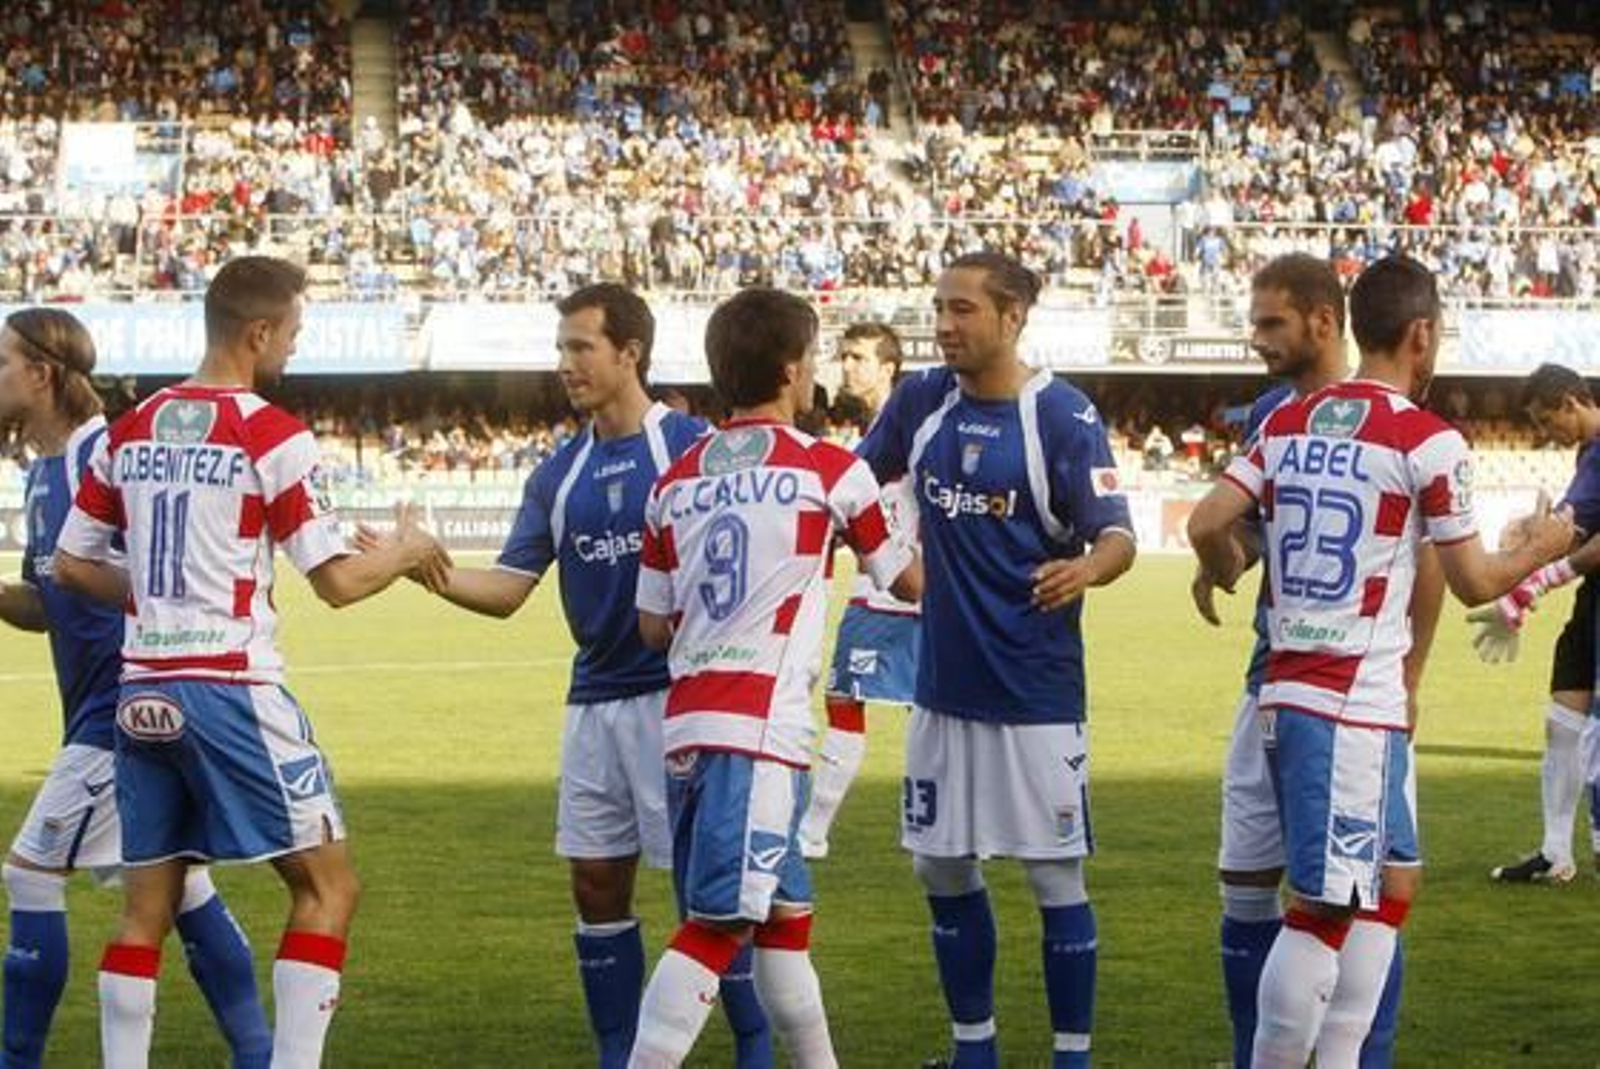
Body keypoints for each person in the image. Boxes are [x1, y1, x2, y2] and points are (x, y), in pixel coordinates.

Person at [53, 256, 450, 1069]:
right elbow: (337, 580)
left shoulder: (131, 428)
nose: (294, 352)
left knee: (144, 913)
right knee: (328, 886)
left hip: (142, 691)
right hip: (230, 688)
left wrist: (160, 601)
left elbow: (70, 563)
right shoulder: (272, 433)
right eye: (293, 335)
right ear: (259, 331)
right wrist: (409, 548)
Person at [1188, 255, 1573, 1067]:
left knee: (1394, 884)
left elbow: (1208, 519)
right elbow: (1471, 578)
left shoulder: (1291, 420)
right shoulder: (1428, 439)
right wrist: (1544, 547)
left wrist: (1216, 566)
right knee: (1324, 910)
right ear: (1423, 334)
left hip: (1303, 687)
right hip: (1349, 703)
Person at [409, 283, 771, 1067]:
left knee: (707, 897)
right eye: (561, 348)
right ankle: (618, 1053)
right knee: (597, 885)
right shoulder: (558, 474)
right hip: (594, 704)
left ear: (628, 353)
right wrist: (422, 566)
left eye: (580, 347)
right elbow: (508, 588)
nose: (565, 363)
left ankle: (755, 1045)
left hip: (682, 703)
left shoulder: (693, 447)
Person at [856, 251, 1137, 1068]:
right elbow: (847, 484)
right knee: (939, 866)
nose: (944, 324)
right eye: (939, 307)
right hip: (943, 689)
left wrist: (1088, 566)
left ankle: (1070, 1059)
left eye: (963, 309)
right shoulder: (920, 401)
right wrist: (888, 566)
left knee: (1054, 880)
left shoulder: (1063, 416)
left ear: (1012, 318)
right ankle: (972, 1049)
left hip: (1037, 695)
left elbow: (1116, 533)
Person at [629, 287, 921, 1068]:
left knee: (785, 926)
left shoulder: (676, 480)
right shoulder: (832, 469)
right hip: (758, 733)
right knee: (717, 928)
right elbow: (906, 579)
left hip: (690, 725)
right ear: (794, 370)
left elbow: (652, 624)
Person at [0, 308, 271, 1068]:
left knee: (29, 871)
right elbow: (47, 603)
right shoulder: (43, 474)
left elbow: (167, 577)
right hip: (108, 710)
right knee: (180, 887)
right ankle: (260, 1049)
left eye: (2, 363)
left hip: (120, 709)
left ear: (43, 374)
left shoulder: (109, 454)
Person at [1191, 254, 1422, 1067]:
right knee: (1248, 882)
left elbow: (1419, 561)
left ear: (1325, 322)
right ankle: (1258, 1047)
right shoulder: (1270, 413)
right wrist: (1218, 555)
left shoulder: (1388, 416)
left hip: (1356, 689)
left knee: (1364, 889)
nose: (1258, 340)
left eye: (1270, 324)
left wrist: (1412, 680)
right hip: (1274, 678)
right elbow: (1244, 537)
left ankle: (1356, 1054)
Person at [1470, 362, 1600, 883]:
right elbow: (1578, 530)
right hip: (1594, 599)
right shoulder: (1587, 455)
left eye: (1549, 421)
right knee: (1562, 722)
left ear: (1571, 401)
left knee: (1592, 735)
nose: (1548, 435)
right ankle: (1554, 852)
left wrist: (1529, 581)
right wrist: (1534, 537)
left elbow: (1584, 541)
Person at [799, 321, 919, 859]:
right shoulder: (872, 436)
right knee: (855, 699)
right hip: (887, 588)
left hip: (903, 590)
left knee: (853, 700)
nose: (847, 366)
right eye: (843, 356)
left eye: (858, 358)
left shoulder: (914, 428)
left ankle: (813, 832)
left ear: (888, 368)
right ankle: (941, 826)